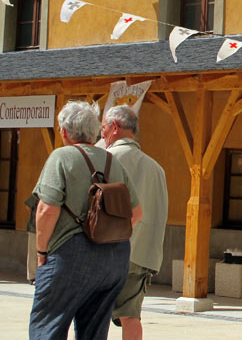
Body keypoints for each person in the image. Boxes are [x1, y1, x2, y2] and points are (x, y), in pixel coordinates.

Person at [29, 101, 143, 340]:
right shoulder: (113, 161)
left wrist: (41, 253)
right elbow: (136, 213)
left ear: (64, 131)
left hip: (69, 255)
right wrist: (103, 233)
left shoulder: (61, 157)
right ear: (94, 131)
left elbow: (46, 210)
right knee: (94, 333)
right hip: (114, 258)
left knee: (48, 326)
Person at [101, 105, 168, 340]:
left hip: (105, 251)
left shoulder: (105, 159)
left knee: (93, 313)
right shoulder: (157, 169)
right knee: (131, 316)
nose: (101, 135)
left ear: (115, 128)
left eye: (103, 128)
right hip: (141, 255)